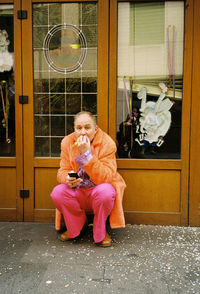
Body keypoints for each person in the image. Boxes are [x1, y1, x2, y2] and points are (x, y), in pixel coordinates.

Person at [51, 111, 126, 247]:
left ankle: (101, 230)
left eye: (87, 127)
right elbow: (62, 171)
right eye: (79, 128)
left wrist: (86, 154)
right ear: (74, 129)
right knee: (58, 192)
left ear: (95, 129)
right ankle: (78, 225)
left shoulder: (107, 143)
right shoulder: (67, 142)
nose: (83, 132)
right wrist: (67, 179)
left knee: (106, 192)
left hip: (97, 189)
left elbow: (106, 177)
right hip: (78, 190)